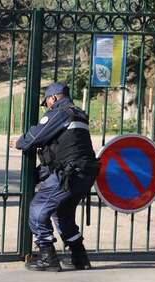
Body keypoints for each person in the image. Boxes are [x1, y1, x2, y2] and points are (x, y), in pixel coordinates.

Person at [11, 82, 99, 272]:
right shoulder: (79, 113)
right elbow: (65, 149)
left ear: (53, 98)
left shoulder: (61, 112)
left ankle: (47, 256)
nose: (48, 107)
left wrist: (19, 141)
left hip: (69, 175)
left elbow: (35, 138)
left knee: (37, 209)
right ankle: (79, 257)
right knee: (62, 214)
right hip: (85, 174)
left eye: (47, 103)